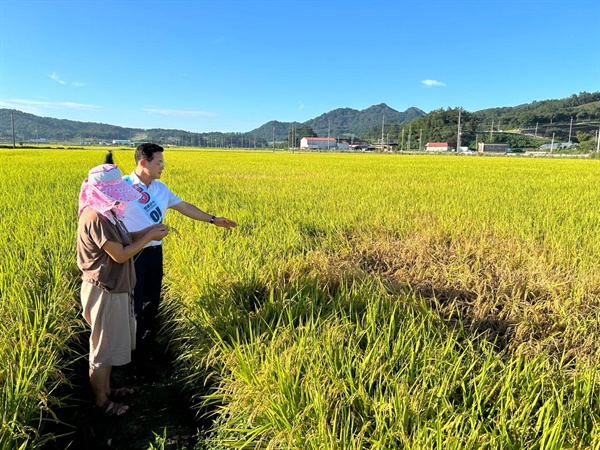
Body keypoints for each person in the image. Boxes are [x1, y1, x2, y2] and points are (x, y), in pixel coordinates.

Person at [122, 143, 236, 370]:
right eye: (159, 162)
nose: (163, 166)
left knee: (151, 301)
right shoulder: (123, 187)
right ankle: (125, 356)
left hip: (155, 253)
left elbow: (184, 206)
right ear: (143, 162)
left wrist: (213, 219)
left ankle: (145, 349)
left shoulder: (161, 189)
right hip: (130, 254)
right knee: (129, 304)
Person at [77, 163, 169, 416]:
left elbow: (125, 237)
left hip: (114, 287)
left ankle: (107, 389)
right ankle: (101, 401)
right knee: (102, 348)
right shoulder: (96, 217)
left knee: (109, 346)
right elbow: (119, 254)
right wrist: (149, 239)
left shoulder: (108, 213)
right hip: (103, 289)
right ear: (101, 190)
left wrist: (149, 229)